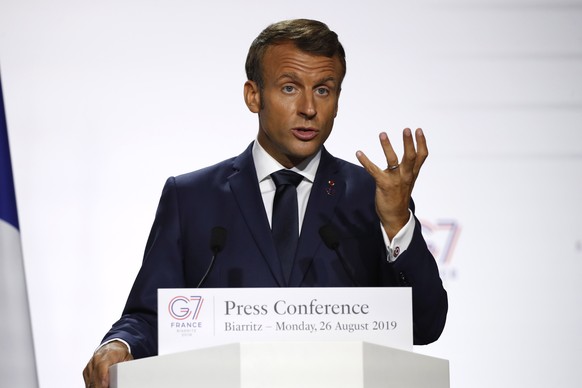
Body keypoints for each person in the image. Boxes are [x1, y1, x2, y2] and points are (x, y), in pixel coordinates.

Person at [83, 18, 447, 388]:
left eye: (323, 90)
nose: (308, 108)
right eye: (290, 88)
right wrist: (118, 344)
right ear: (253, 95)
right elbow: (149, 316)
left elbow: (426, 325)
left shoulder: (372, 197)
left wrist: (397, 221)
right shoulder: (191, 197)